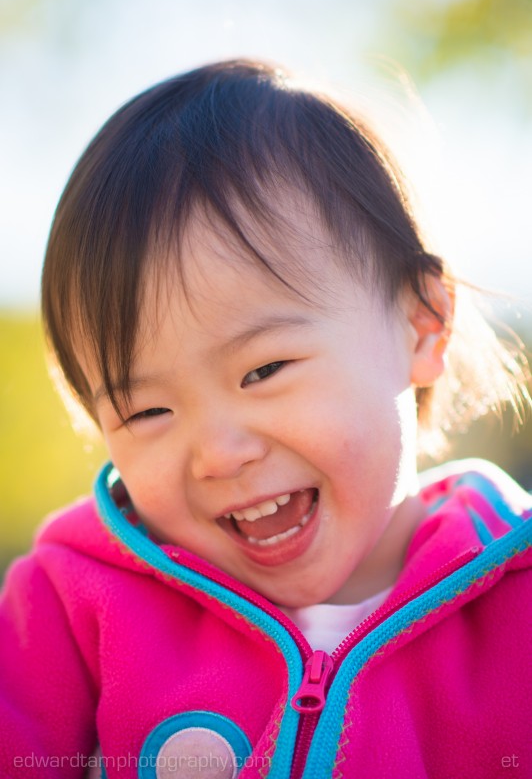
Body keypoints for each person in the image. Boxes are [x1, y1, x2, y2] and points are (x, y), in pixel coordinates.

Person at [1, 59, 531, 779]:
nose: (218, 453)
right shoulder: (70, 611)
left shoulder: (514, 604)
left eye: (264, 371)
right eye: (148, 410)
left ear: (422, 324)